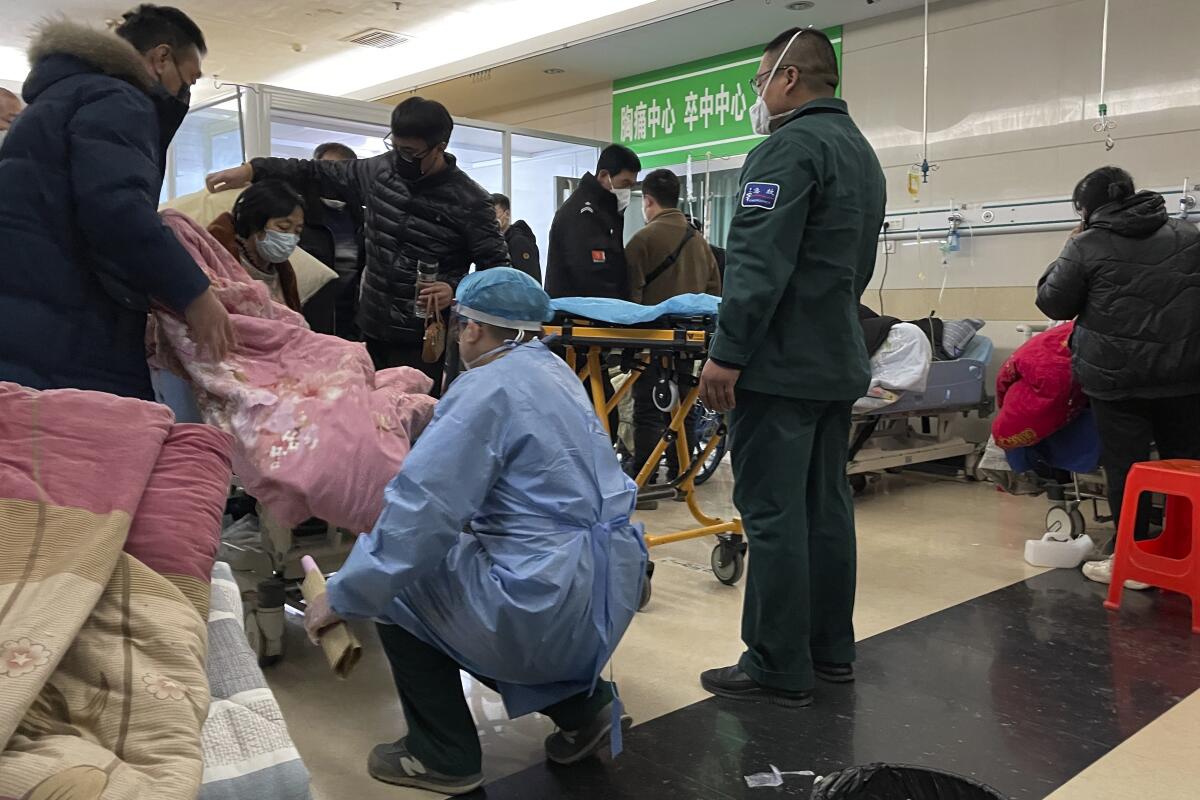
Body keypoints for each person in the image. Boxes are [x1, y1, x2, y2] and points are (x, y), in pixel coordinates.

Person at [303, 268, 647, 795]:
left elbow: (418, 519)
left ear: (472, 329)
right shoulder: (554, 373)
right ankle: (587, 710)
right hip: (607, 586)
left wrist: (344, 593)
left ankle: (440, 754)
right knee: (478, 587)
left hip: (545, 602)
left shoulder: (482, 389)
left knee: (406, 581)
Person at [697, 27, 886, 706]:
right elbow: (852, 268)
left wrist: (727, 351)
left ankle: (776, 663)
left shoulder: (786, 149)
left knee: (773, 512)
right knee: (825, 509)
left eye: (758, 81)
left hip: (778, 366)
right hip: (835, 358)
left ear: (788, 79)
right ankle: (831, 651)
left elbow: (756, 265)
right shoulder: (862, 156)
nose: (758, 94)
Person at [0, 7, 232, 400]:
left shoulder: (59, 99)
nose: (183, 93)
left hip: (30, 312)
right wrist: (195, 294)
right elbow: (116, 208)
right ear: (161, 58)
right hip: (72, 320)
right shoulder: (118, 98)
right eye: (187, 78)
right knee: (97, 444)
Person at [205, 97, 509, 391]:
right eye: (396, 147)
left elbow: (498, 271)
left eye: (411, 152)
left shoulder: (471, 201)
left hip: (423, 338)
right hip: (370, 327)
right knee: (367, 415)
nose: (401, 157)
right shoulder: (378, 172)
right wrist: (252, 170)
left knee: (413, 418)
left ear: (439, 147)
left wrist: (454, 288)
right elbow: (311, 172)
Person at [1036, 166, 1200, 586]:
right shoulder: (1189, 235)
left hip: (1116, 379)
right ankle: (1189, 551)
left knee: (1128, 470)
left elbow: (1054, 304)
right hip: (1185, 374)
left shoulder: (1086, 245)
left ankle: (1135, 559)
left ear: (1086, 209)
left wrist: (1068, 246)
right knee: (1188, 467)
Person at [624, 168, 722, 494]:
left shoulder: (642, 240)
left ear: (648, 201)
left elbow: (631, 297)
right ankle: (683, 477)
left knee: (648, 410)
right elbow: (714, 293)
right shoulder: (699, 241)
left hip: (651, 340)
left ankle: (645, 482)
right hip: (689, 342)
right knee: (682, 407)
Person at [545, 144, 641, 299]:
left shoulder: (608, 211)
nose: (627, 191)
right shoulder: (582, 213)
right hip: (579, 316)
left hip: (598, 314)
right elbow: (589, 274)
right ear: (604, 176)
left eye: (631, 185)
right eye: (625, 184)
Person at [207, 179, 305, 311]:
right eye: (283, 227)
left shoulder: (284, 274)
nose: (290, 238)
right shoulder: (222, 259)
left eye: (297, 231)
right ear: (255, 222)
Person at [301, 141, 365, 339]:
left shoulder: (361, 219)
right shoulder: (299, 216)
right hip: (307, 317)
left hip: (350, 321)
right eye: (326, 169)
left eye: (340, 170)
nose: (333, 177)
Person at [491, 192, 541, 283]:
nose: (491, 218)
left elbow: (529, 280)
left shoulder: (518, 242)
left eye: (494, 213)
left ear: (507, 214)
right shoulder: (495, 242)